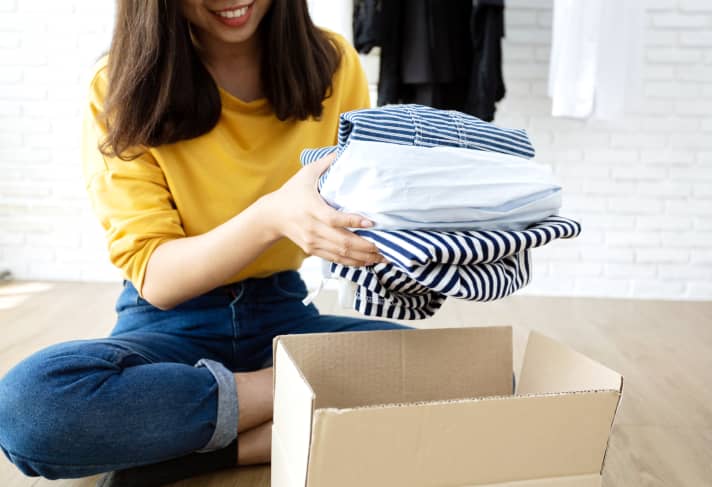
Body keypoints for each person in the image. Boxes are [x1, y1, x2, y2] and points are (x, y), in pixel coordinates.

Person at [0, 1, 408, 484]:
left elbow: (359, 207)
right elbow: (157, 276)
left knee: (463, 371)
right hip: (169, 327)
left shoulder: (334, 64)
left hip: (282, 311)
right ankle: (283, 408)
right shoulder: (118, 86)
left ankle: (202, 446)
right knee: (29, 409)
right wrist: (271, 216)